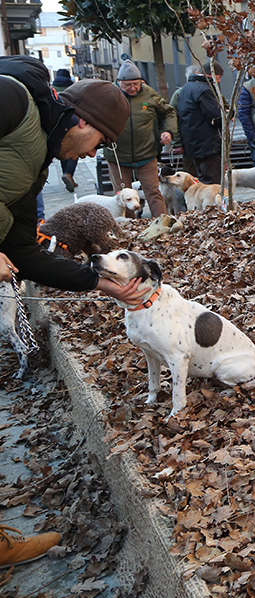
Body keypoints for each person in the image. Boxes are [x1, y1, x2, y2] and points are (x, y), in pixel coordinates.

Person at [0, 56, 146, 567]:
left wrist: (99, 283)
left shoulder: (34, 165)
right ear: (83, 122)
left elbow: (24, 251)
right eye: (101, 142)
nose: (96, 153)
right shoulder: (14, 100)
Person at [103, 59, 177, 216]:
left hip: (146, 152)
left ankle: (162, 224)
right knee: (122, 196)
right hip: (118, 155)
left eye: (137, 83)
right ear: (119, 82)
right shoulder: (108, 95)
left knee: (153, 192)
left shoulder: (148, 93)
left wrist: (168, 131)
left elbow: (169, 112)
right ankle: (129, 230)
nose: (133, 88)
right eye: (128, 85)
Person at [176, 61, 226, 184]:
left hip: (193, 143)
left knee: (200, 181)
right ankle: (212, 204)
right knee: (211, 183)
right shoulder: (204, 90)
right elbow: (216, 117)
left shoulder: (186, 88)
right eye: (218, 77)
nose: (218, 81)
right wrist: (227, 113)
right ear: (211, 75)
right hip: (208, 144)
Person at [50, 68, 78, 192]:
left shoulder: (51, 89)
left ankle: (65, 173)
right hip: (72, 121)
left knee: (62, 148)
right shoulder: (73, 88)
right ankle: (69, 173)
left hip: (57, 123)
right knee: (74, 149)